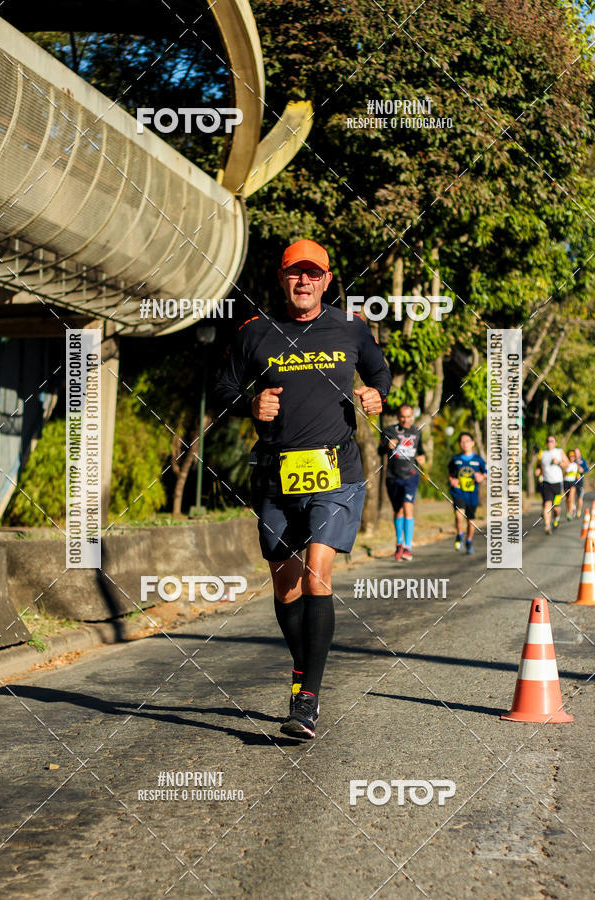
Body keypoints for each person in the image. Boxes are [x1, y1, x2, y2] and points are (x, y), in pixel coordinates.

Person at [214, 239, 392, 740]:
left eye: (314, 275)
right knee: (286, 585)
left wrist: (377, 393)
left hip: (337, 473)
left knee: (317, 577)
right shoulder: (255, 332)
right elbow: (223, 388)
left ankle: (306, 702)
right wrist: (249, 404)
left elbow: (380, 372)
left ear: (328, 280)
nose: (304, 282)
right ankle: (305, 668)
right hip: (274, 475)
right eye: (296, 274)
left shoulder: (351, 327)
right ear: (282, 278)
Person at [378, 405, 426, 561]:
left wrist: (422, 457)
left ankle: (407, 547)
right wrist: (387, 445)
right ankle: (399, 543)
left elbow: (421, 450)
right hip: (393, 476)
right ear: (398, 417)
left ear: (413, 416)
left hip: (411, 476)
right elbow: (380, 450)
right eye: (403, 417)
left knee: (408, 507)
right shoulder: (389, 431)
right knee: (398, 511)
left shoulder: (416, 432)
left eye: (409, 416)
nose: (406, 420)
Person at [447, 432, 487, 555]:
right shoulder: (455, 459)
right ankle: (459, 535)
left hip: (472, 495)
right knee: (459, 516)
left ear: (472, 443)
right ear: (460, 444)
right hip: (458, 492)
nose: (465, 444)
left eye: (467, 441)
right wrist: (452, 480)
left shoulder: (478, 460)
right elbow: (450, 473)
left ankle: (469, 541)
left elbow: (485, 473)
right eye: (462, 442)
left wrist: (481, 477)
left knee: (471, 521)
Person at [535, 436, 569, 534]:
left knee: (556, 507)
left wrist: (558, 462)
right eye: (548, 441)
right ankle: (547, 525)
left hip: (557, 484)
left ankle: (556, 518)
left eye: (551, 441)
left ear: (555, 443)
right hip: (546, 483)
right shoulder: (543, 454)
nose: (549, 443)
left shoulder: (559, 452)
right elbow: (539, 466)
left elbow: (567, 464)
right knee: (547, 504)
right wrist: (538, 471)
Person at [563, 450, 579, 519]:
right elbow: (563, 473)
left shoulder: (576, 465)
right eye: (570, 456)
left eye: (573, 456)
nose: (572, 458)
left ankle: (570, 513)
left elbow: (578, 473)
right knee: (567, 499)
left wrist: (578, 475)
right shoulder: (566, 464)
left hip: (573, 482)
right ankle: (569, 510)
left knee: (571, 497)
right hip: (566, 482)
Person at [575, 447, 589, 516]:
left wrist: (582, 470)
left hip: (580, 482)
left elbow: (587, 469)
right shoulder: (572, 460)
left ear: (580, 453)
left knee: (579, 497)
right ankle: (572, 509)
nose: (576, 454)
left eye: (577, 453)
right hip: (572, 482)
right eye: (575, 453)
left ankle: (579, 511)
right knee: (571, 497)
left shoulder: (583, 461)